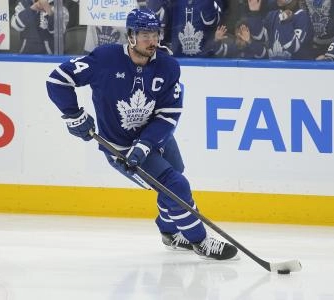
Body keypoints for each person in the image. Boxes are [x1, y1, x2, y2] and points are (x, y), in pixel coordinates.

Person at [46, 8, 238, 260]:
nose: (152, 41)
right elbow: (58, 79)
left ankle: (169, 232)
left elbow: (168, 114)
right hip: (120, 146)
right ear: (131, 36)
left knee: (174, 178)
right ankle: (200, 241)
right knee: (176, 185)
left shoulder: (167, 66)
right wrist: (73, 115)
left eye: (155, 34)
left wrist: (146, 144)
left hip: (157, 137)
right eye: (145, 35)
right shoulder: (105, 59)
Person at [246, 0, 314, 59]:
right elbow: (259, 37)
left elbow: (292, 47)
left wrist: (285, 21)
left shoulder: (302, 16)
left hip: (297, 70)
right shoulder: (272, 15)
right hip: (274, 69)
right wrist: (254, 13)